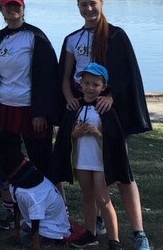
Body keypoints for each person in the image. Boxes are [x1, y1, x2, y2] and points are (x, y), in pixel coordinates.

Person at [59, 0, 152, 250]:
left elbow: (125, 73)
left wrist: (112, 97)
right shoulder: (72, 39)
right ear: (78, 7)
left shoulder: (116, 36)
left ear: (101, 3)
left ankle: (138, 232)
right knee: (88, 169)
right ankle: (95, 224)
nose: (88, 9)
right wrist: (68, 98)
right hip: (84, 108)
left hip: (110, 115)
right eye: (83, 5)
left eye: (92, 3)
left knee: (121, 172)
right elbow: (66, 75)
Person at [0, 0, 59, 230]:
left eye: (16, 5)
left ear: (23, 8)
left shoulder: (36, 37)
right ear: (2, 11)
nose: (12, 9)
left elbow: (48, 77)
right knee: (7, 163)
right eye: (7, 6)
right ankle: (11, 213)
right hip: (5, 108)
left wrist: (40, 112)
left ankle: (51, 212)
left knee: (41, 161)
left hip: (31, 110)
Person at [53, 63, 128, 249]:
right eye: (87, 83)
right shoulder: (75, 106)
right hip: (82, 160)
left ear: (103, 87)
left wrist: (97, 133)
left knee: (103, 199)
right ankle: (90, 233)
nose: (90, 88)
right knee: (88, 197)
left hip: (100, 161)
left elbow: (114, 140)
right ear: (80, 84)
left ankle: (114, 240)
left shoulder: (105, 109)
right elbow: (64, 136)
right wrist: (75, 134)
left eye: (95, 84)